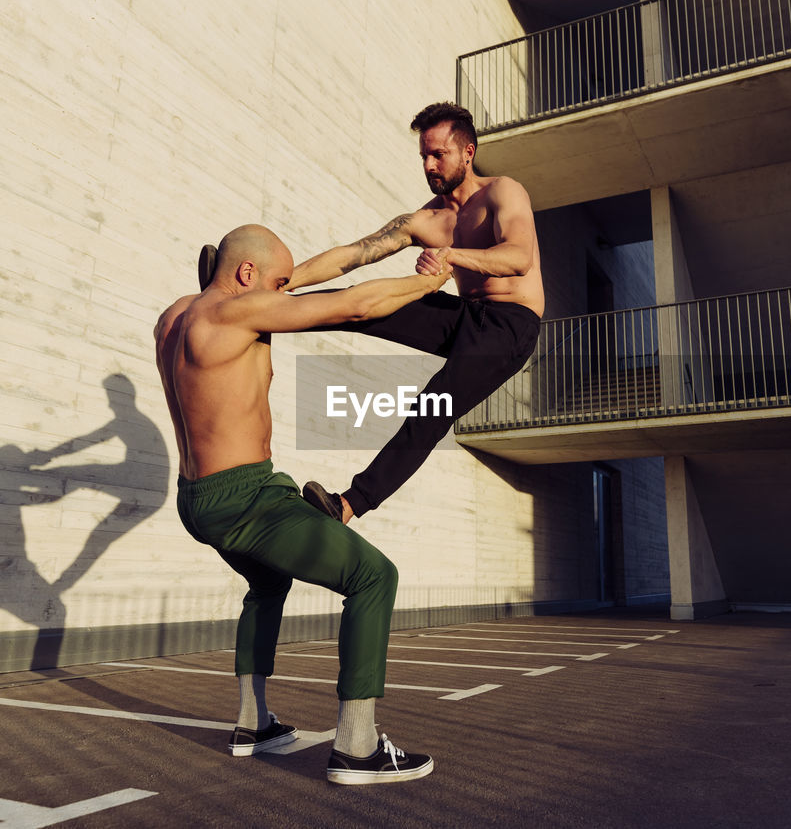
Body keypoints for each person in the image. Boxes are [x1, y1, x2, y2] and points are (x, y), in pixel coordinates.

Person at [155, 223, 449, 784]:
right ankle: (357, 746)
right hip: (247, 496)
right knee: (372, 576)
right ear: (246, 276)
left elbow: (223, 335)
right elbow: (357, 305)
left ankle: (253, 722)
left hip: (196, 498)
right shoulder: (232, 316)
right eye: (277, 283)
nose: (282, 294)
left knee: (267, 584)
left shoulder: (174, 318)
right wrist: (427, 284)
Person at [290, 102, 545, 524]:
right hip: (465, 314)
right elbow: (353, 255)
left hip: (510, 325)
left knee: (434, 403)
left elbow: (518, 257)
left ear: (468, 152)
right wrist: (287, 280)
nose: (429, 165)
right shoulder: (426, 218)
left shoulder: (504, 192)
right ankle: (268, 304)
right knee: (365, 304)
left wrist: (450, 255)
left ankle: (349, 504)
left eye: (437, 154)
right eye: (424, 156)